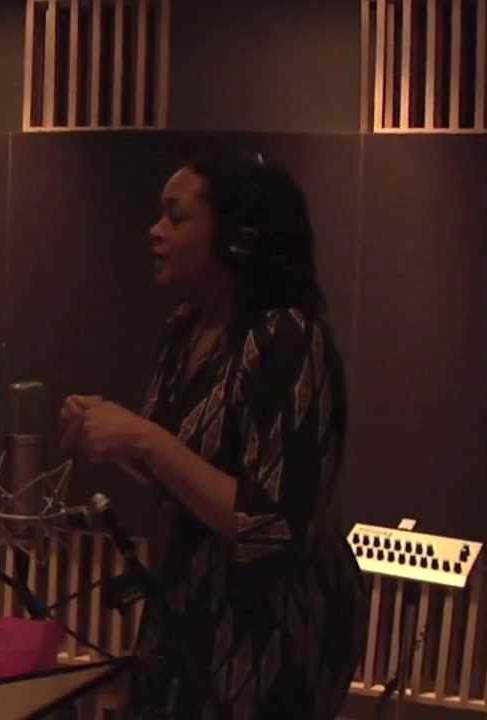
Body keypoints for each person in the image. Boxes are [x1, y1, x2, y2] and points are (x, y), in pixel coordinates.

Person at [58, 148, 366, 718]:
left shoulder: (288, 338)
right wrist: (109, 435)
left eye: (176, 217)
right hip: (187, 609)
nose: (155, 230)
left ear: (237, 237)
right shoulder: (184, 329)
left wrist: (144, 438)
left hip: (267, 635)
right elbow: (180, 476)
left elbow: (271, 525)